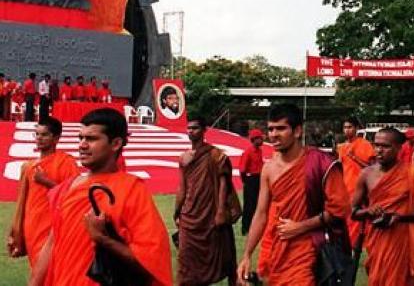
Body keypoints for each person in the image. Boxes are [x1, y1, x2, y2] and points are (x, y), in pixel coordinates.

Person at [28, 108, 172, 286]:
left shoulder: (131, 190)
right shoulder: (67, 187)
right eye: (80, 138)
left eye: (91, 139)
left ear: (116, 143)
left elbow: (151, 259)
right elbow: (52, 243)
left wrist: (103, 239)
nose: (82, 145)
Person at [237, 104, 351, 285]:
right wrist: (247, 255)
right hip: (280, 248)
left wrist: (301, 226)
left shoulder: (321, 163)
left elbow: (340, 210)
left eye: (281, 128)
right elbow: (261, 213)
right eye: (271, 129)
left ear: (297, 131)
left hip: (311, 246)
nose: (273, 134)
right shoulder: (269, 168)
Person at [351, 127, 414, 286]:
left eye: (385, 146)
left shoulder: (413, 174)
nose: (379, 150)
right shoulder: (366, 174)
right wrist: (369, 211)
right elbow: (353, 212)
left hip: (402, 240)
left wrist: (399, 217)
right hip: (377, 240)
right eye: (376, 145)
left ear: (399, 148)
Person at [175, 116, 242, 286]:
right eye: (189, 128)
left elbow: (223, 185)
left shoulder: (216, 155)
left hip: (210, 213)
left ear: (204, 130)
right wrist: (178, 211)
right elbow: (182, 187)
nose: (191, 132)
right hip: (190, 214)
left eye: (195, 128)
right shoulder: (183, 158)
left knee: (221, 253)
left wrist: (220, 211)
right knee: (186, 257)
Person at [7, 117, 79, 266]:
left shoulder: (67, 163)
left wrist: (46, 182)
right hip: (32, 227)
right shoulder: (28, 167)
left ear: (56, 138)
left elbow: (75, 196)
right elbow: (21, 203)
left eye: (44, 134)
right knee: (37, 269)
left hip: (55, 228)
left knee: (51, 270)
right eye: (37, 134)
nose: (39, 138)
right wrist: (16, 232)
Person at [337, 116, 374, 246]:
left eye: (350, 127)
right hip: (346, 186)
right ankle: (350, 242)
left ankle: (358, 242)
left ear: (357, 128)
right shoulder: (341, 147)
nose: (347, 130)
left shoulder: (365, 144)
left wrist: (354, 157)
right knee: (347, 216)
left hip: (361, 186)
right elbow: (341, 167)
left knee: (358, 215)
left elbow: (371, 167)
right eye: (345, 128)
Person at [239, 128, 265, 235]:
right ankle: (245, 228)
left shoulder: (259, 151)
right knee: (249, 205)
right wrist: (246, 182)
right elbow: (242, 169)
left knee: (257, 205)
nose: (262, 140)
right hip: (251, 180)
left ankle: (255, 227)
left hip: (258, 178)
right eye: (260, 138)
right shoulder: (248, 152)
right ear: (254, 139)